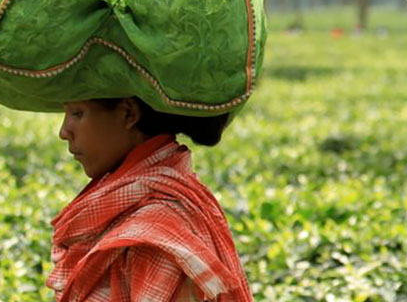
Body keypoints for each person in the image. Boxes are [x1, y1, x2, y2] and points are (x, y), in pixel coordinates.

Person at [48, 97, 253, 301]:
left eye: (77, 113)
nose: (63, 132)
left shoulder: (155, 236)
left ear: (128, 113)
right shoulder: (172, 194)